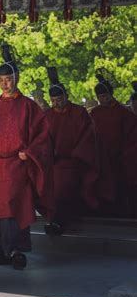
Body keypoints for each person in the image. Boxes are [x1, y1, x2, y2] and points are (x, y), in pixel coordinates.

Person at [0, 45, 54, 270]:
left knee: (15, 207)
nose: (5, 83)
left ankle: (15, 250)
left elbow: (43, 136)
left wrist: (30, 151)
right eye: (1, 79)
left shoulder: (28, 106)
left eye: (9, 78)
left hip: (17, 163)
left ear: (17, 78)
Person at [43, 67, 99, 234]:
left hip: (74, 161)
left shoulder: (79, 112)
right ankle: (54, 220)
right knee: (50, 190)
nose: (56, 103)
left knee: (64, 188)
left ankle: (59, 223)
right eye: (53, 100)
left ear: (66, 97)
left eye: (59, 99)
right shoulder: (47, 115)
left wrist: (77, 156)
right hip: (53, 162)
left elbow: (87, 136)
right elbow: (42, 138)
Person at [90, 74, 137, 218]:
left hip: (121, 155)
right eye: (99, 97)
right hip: (101, 155)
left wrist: (123, 152)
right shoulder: (95, 112)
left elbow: (131, 135)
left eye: (104, 96)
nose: (102, 99)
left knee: (121, 184)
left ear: (111, 94)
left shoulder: (124, 113)